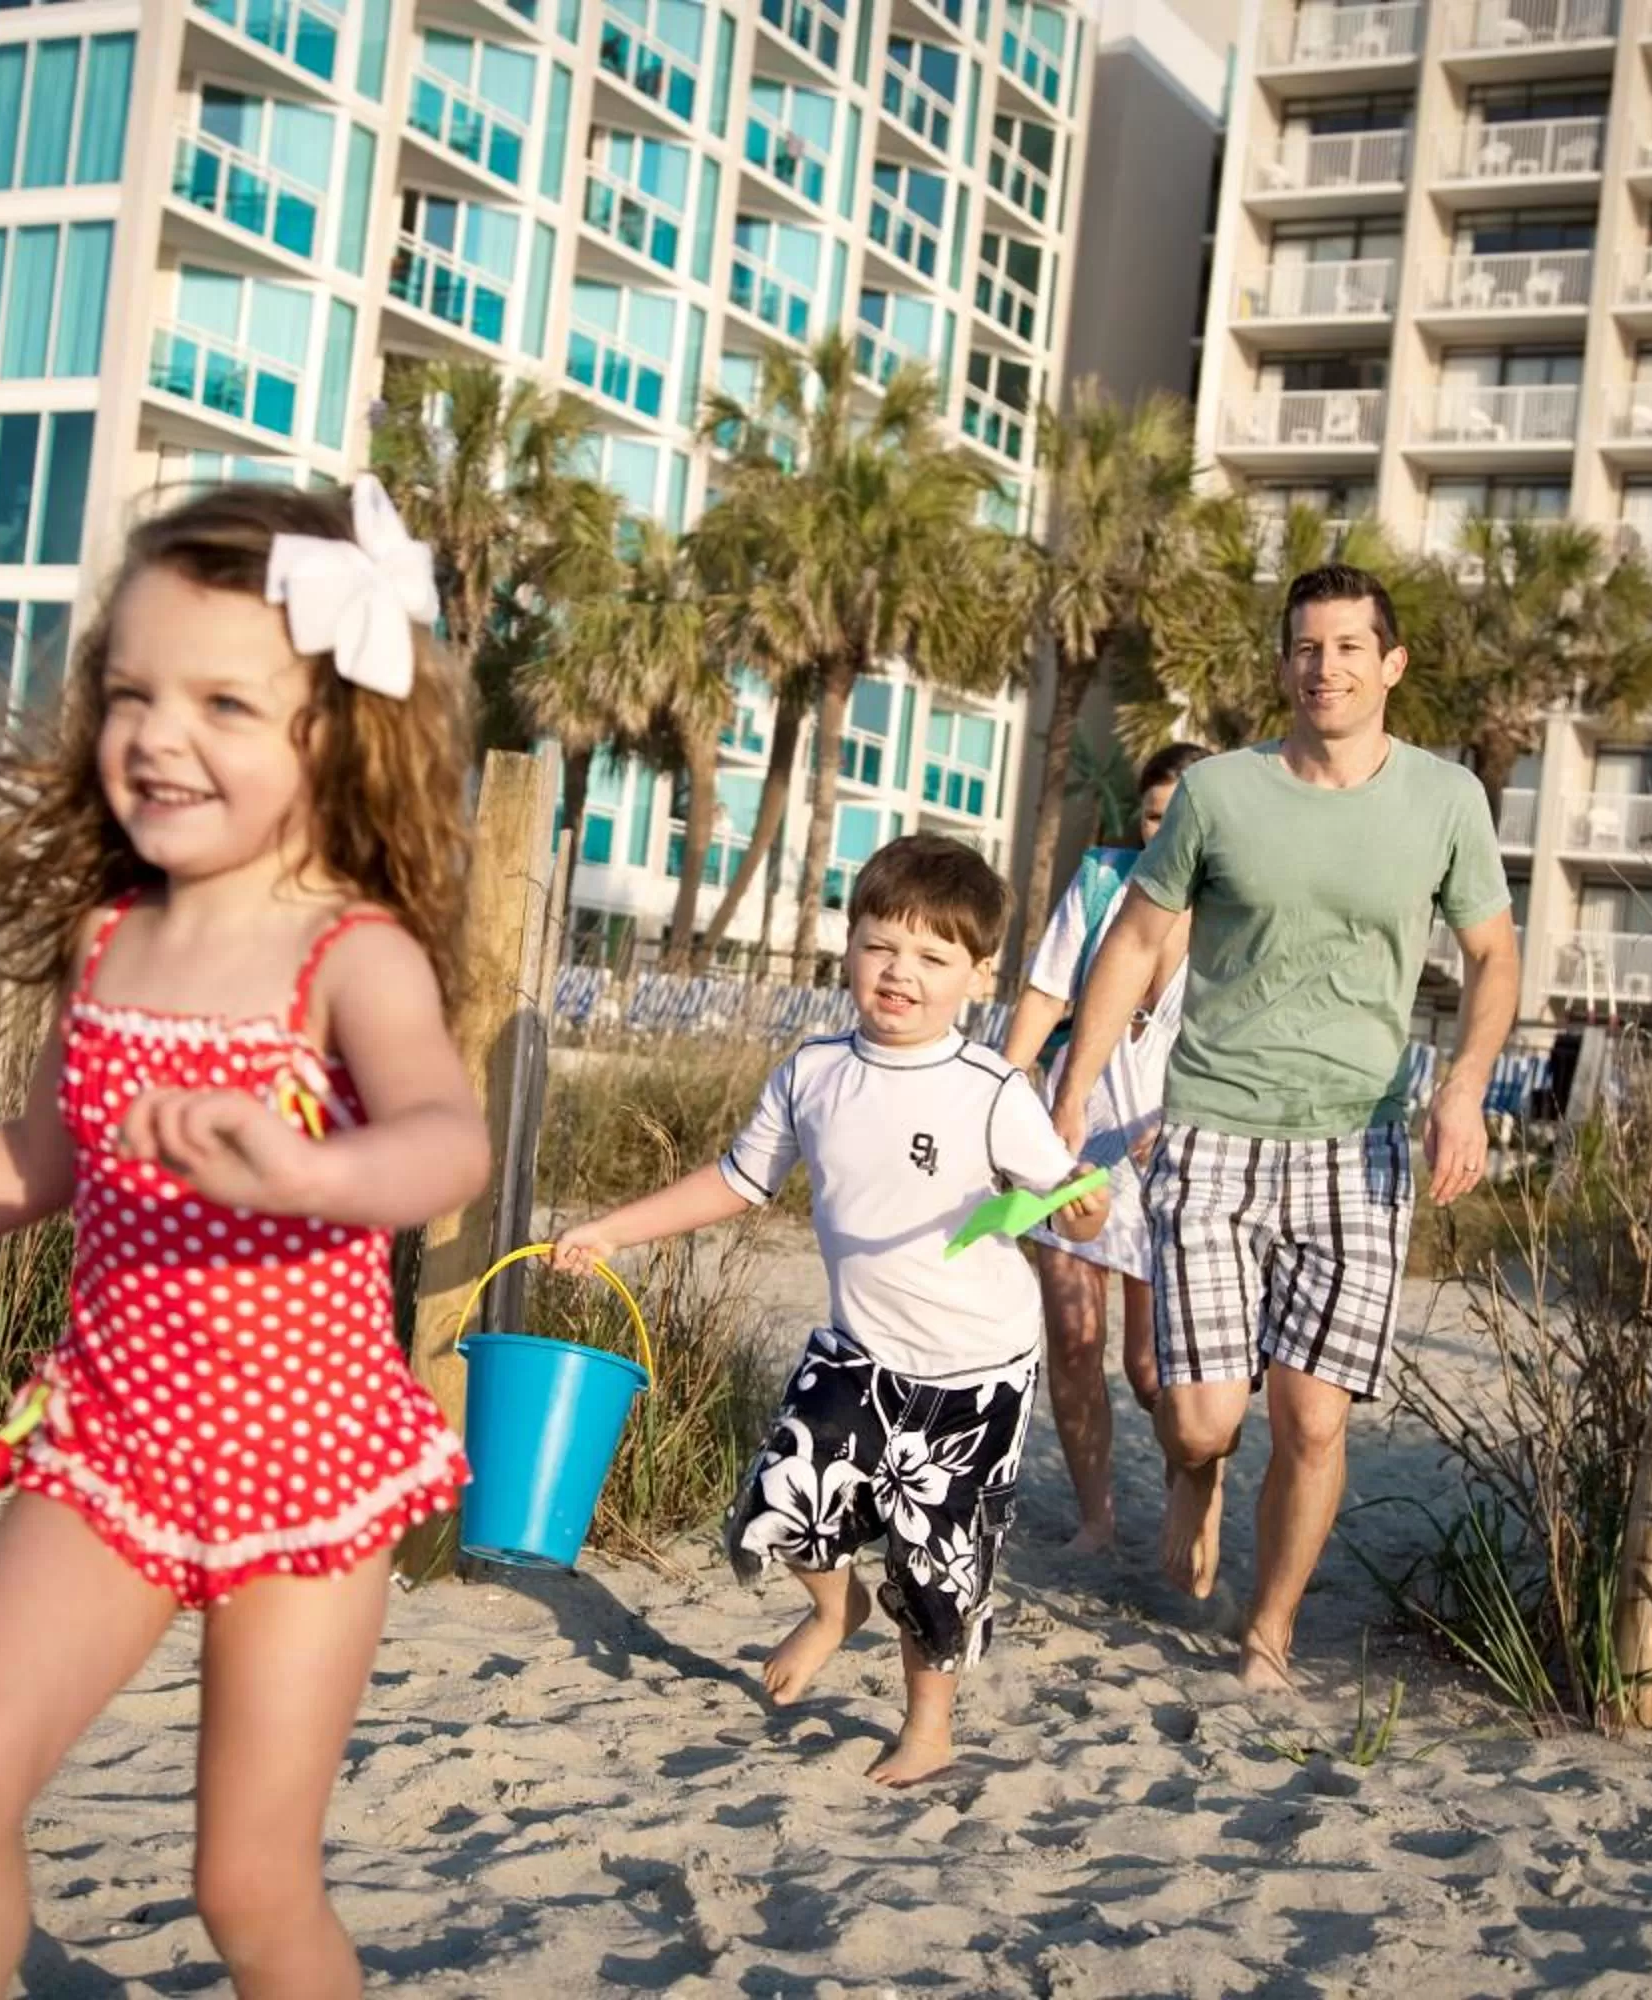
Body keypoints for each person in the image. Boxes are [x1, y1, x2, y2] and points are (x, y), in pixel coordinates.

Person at [0, 478, 487, 1996]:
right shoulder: (110, 938)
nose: (158, 734)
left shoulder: (349, 951)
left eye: (223, 702)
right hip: (110, 1441)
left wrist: (315, 1177)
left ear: (336, 730)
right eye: (130, 691)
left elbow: (449, 1137)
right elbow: (39, 1156)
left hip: (306, 1461)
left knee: (248, 1886)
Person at [551, 835, 1111, 1786]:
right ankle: (832, 1607)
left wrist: (1087, 1204)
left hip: (975, 1372)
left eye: (933, 958)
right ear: (847, 948)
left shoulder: (992, 1092)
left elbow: (1074, 1201)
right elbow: (737, 1182)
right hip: (859, 1350)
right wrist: (613, 1230)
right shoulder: (812, 1071)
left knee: (937, 1566)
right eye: (881, 946)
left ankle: (927, 1726)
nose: (901, 973)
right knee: (774, 1511)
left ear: (977, 977)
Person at [1052, 563, 1520, 1691]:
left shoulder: (1446, 798)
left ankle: (1268, 1628)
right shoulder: (1220, 792)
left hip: (1357, 1145)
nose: (1327, 666)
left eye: (1350, 646)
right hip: (1212, 1129)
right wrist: (1070, 1099)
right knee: (1201, 1415)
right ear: (1285, 664)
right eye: (1308, 647)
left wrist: (1464, 1086)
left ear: (1391, 663)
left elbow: (1494, 954)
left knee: (1313, 1420)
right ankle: (1195, 1476)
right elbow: (1132, 941)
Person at [1001, 741, 1210, 1555]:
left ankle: (1182, 1511)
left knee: (1156, 1368)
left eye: (1184, 813)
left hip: (1176, 1158)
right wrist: (1003, 1095)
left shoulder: (1238, 908)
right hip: (1073, 1138)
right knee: (1075, 1338)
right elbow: (1045, 992)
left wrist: (1194, 1121)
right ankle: (1097, 1519)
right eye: (1156, 813)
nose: (1167, 830)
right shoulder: (1099, 887)